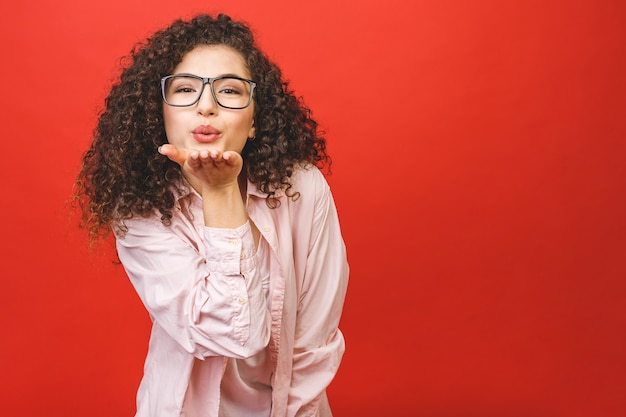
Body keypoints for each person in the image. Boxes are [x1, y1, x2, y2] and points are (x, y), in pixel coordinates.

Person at [74, 13, 349, 417]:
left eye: (230, 91)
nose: (206, 106)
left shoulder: (303, 188)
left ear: (254, 120)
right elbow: (234, 335)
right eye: (185, 89)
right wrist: (220, 192)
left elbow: (313, 343)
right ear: (160, 113)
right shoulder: (139, 209)